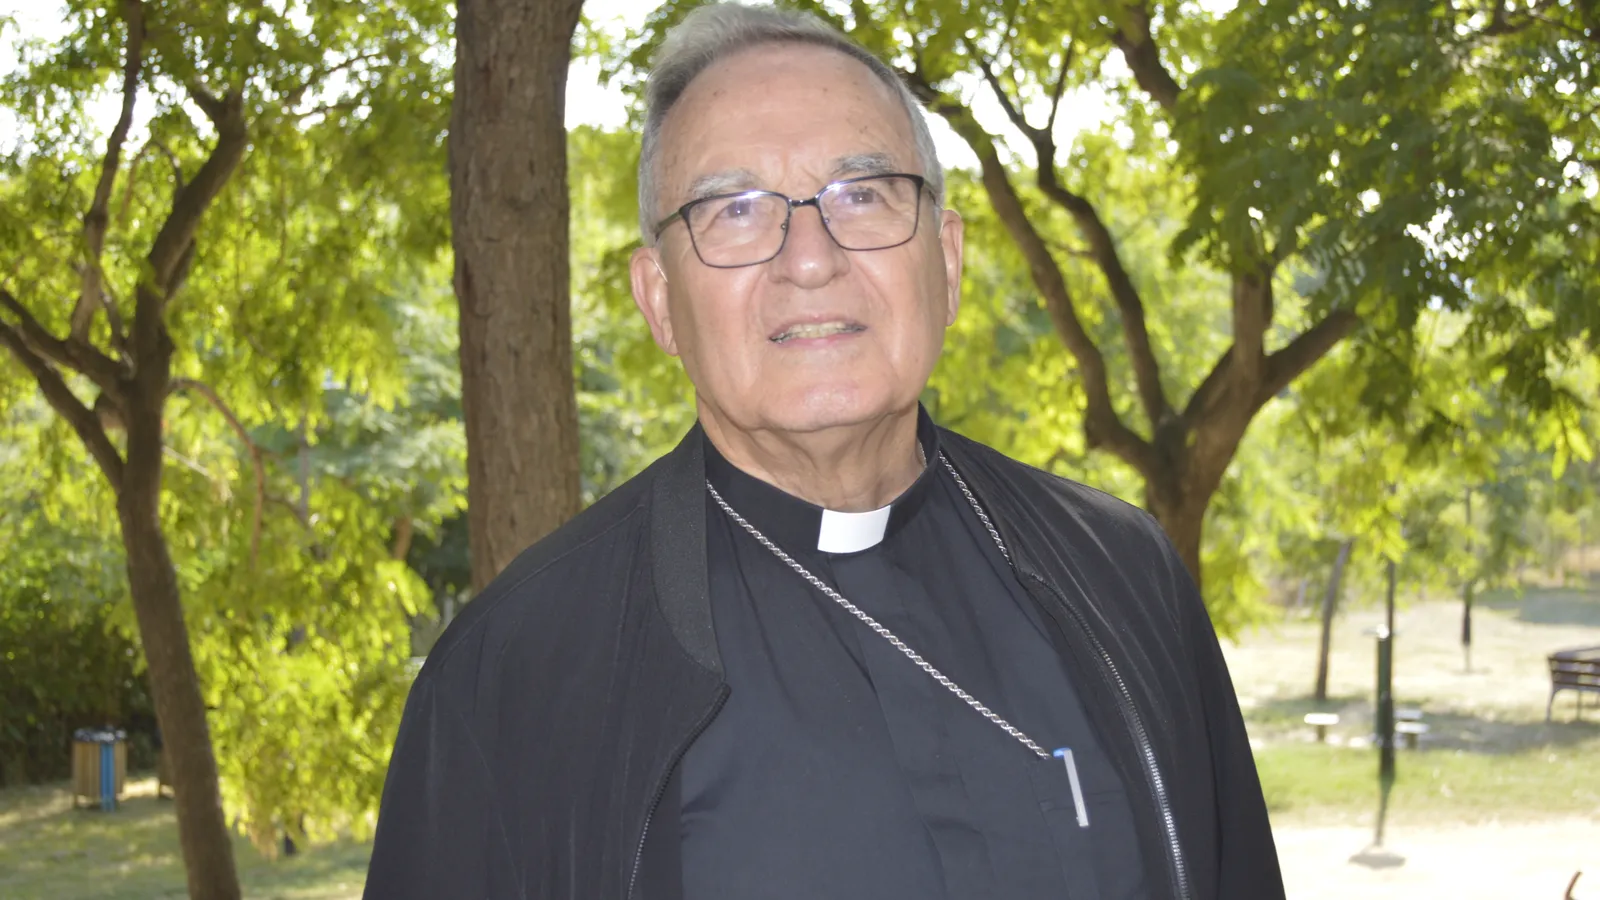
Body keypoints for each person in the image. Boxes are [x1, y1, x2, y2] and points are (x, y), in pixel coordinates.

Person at [363, 5, 1283, 899]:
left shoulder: (1124, 576)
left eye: (862, 195)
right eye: (734, 210)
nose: (809, 259)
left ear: (946, 262)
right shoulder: (513, 678)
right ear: (659, 302)